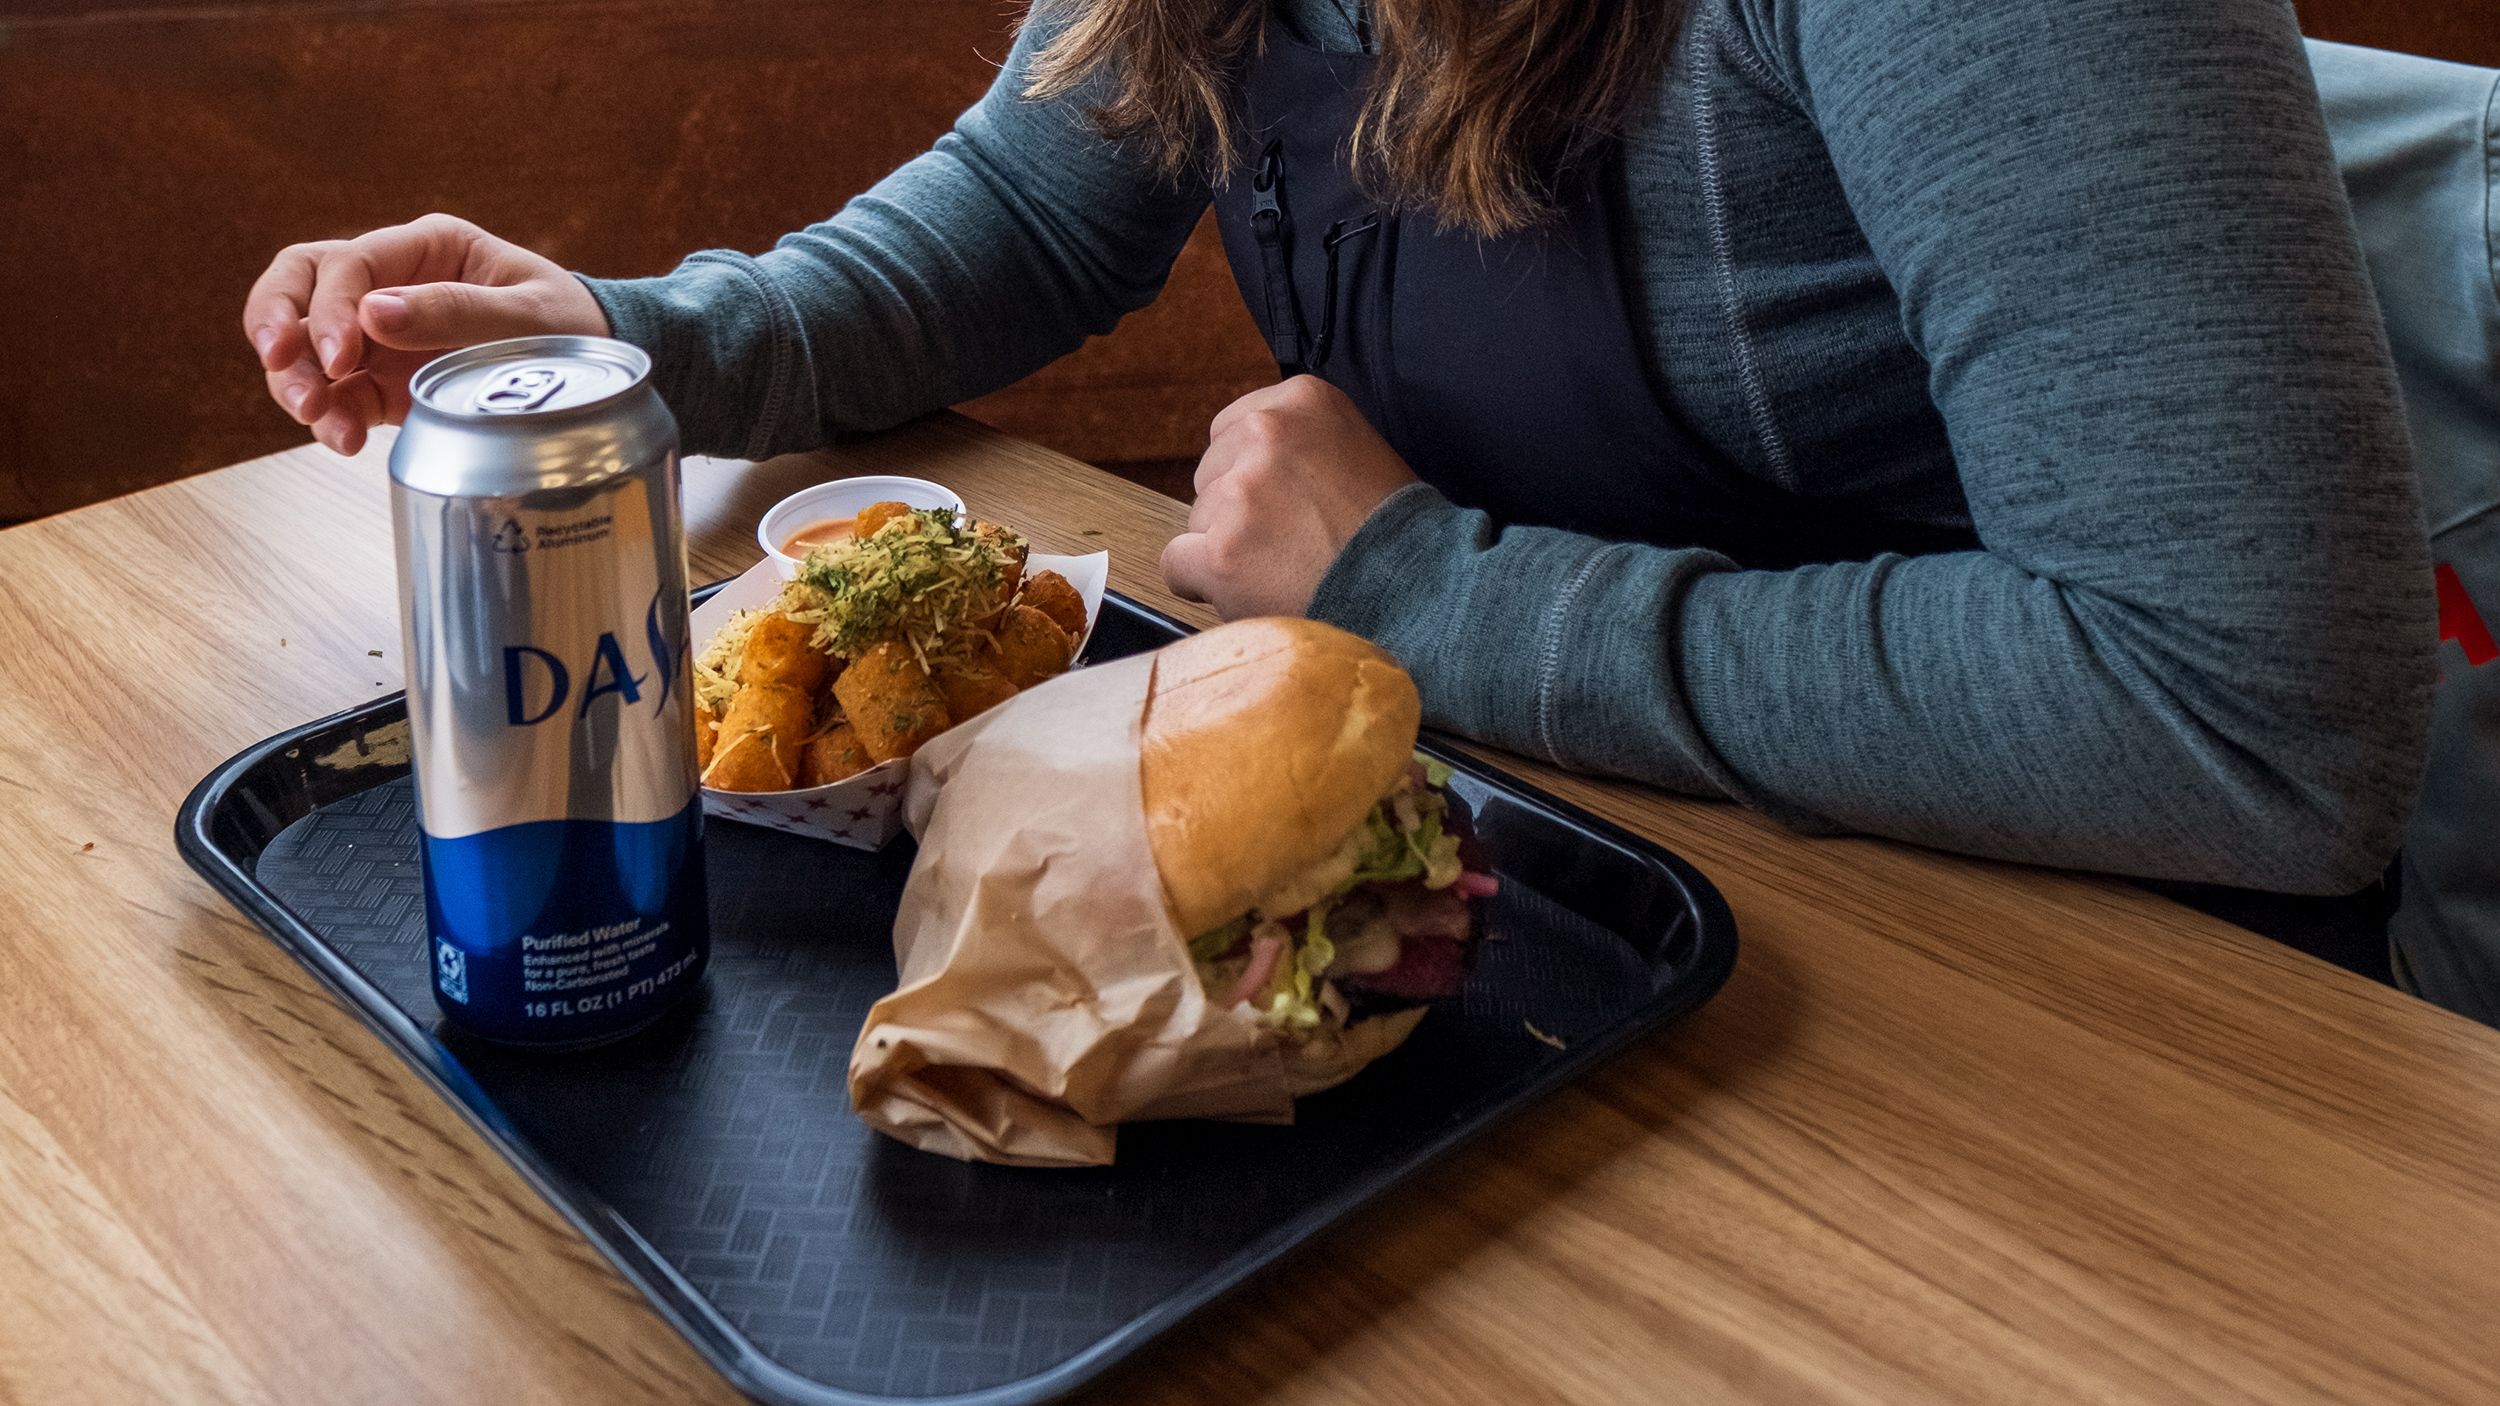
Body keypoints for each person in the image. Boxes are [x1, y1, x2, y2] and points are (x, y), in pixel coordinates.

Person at [243, 0, 2434, 947]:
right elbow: (1012, 215)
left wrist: (1420, 588)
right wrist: (633, 333)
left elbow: (2249, 711)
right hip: (1573, 869)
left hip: (2089, 989)